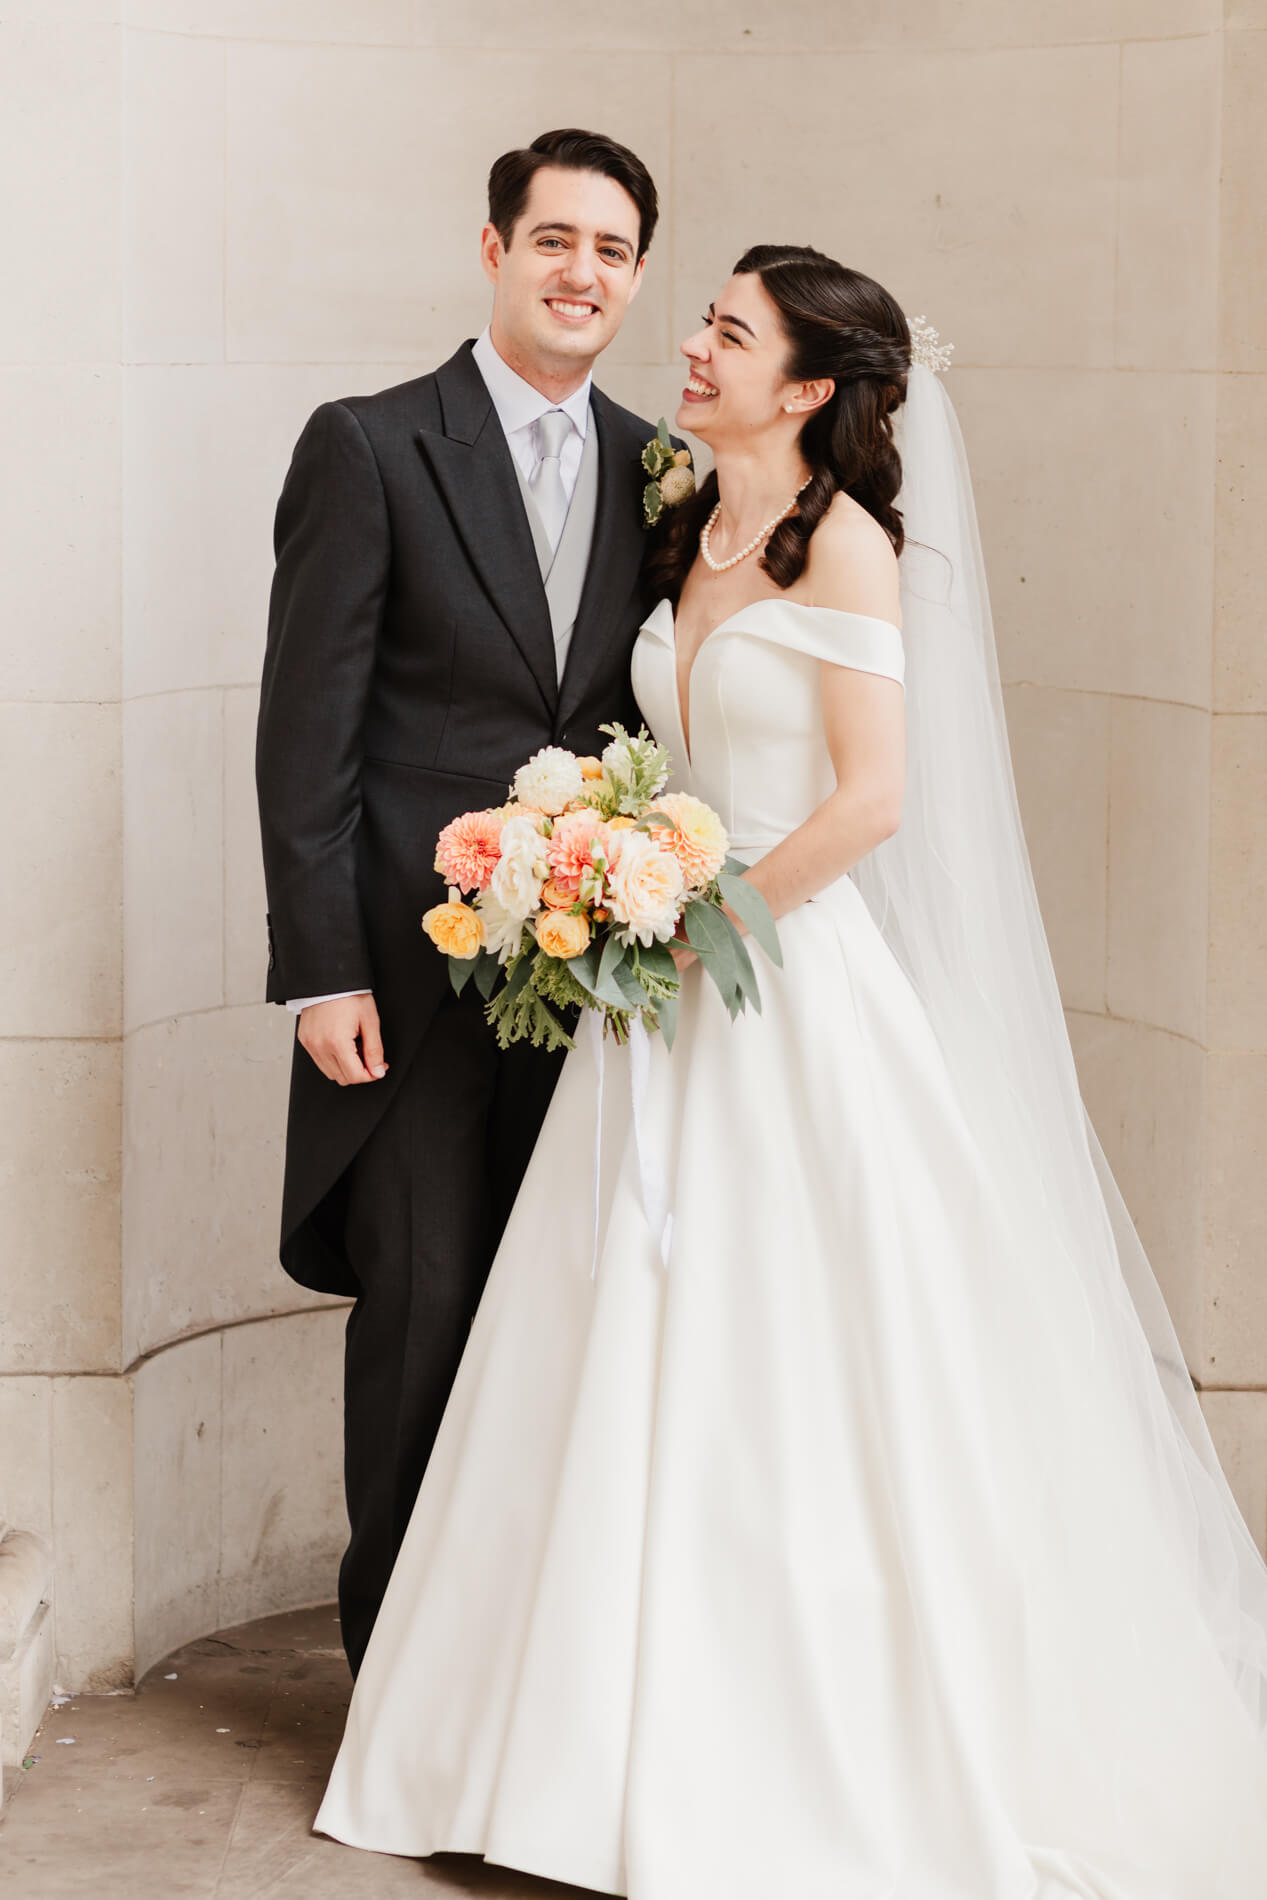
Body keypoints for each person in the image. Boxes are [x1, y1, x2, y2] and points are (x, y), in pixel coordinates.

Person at [313, 247, 1267, 1895]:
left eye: (729, 332)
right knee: (607, 1347)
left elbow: (874, 797)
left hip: (776, 983)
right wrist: (598, 865)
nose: (689, 342)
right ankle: (546, 1751)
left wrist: (700, 920)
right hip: (649, 995)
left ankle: (786, 1758)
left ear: (809, 387)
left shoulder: (853, 546)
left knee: (794, 1359)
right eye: (705, 320)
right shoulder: (685, 522)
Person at [255, 128, 676, 1679]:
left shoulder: (658, 466)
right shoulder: (368, 446)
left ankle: (528, 1694)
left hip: (599, 985)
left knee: (566, 1329)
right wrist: (322, 974)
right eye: (555, 240)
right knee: (423, 1323)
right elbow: (307, 732)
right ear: (494, 250)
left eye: (614, 251)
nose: (583, 274)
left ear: (638, 275)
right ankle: (399, 1693)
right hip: (413, 991)